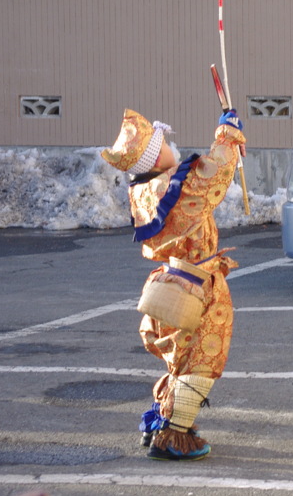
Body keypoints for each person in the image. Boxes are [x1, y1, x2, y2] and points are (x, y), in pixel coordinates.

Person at [102, 107, 246, 461]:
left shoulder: (145, 190)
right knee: (201, 359)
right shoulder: (173, 186)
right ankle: (174, 434)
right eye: (161, 143)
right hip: (196, 285)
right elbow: (213, 176)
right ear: (154, 156)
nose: (168, 145)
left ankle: (167, 418)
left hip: (171, 280)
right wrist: (227, 134)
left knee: (180, 360)